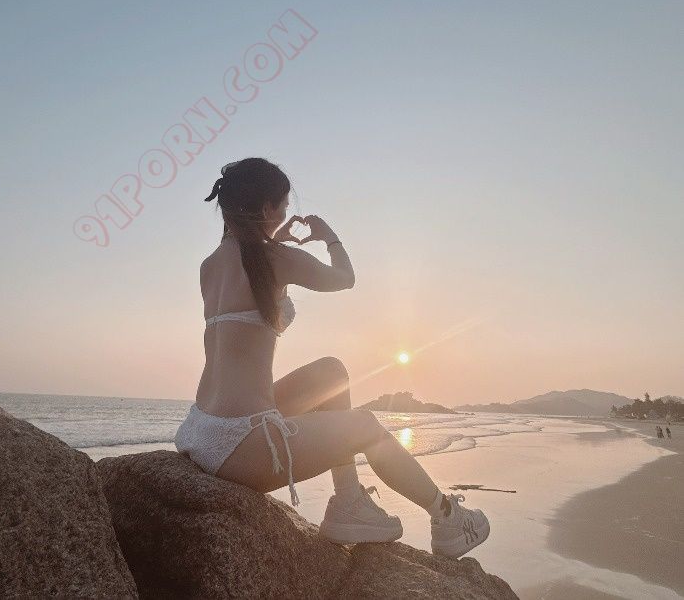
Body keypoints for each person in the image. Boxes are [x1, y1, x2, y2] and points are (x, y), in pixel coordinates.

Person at [174, 157, 489, 558]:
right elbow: (344, 278)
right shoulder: (275, 259)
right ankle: (447, 519)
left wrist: (275, 239)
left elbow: (250, 291)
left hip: (203, 430)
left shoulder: (210, 266)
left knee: (331, 373)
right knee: (366, 426)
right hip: (241, 445)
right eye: (283, 205)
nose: (286, 213)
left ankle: (349, 500)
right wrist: (329, 237)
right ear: (267, 208)